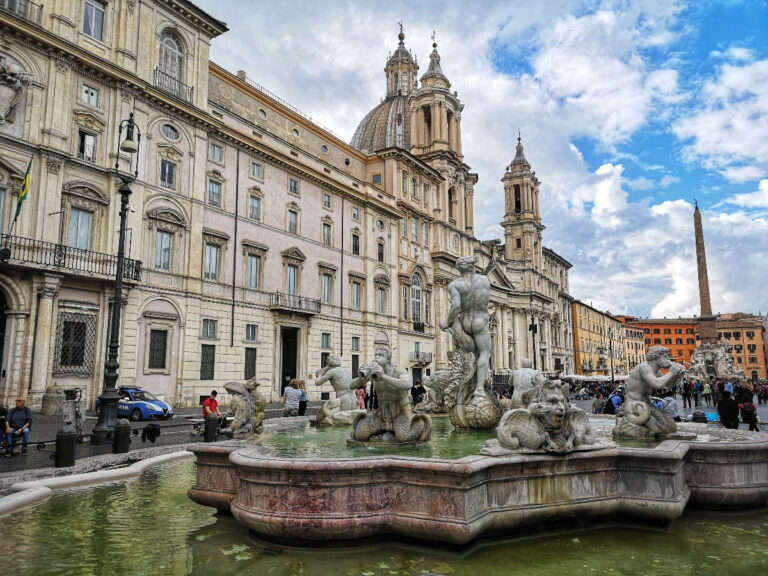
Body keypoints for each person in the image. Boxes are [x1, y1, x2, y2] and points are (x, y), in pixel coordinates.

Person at [439, 256, 492, 399]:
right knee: (484, 354)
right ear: (473, 267)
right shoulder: (485, 281)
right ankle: (479, 389)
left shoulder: (455, 285)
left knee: (467, 353)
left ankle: (464, 384)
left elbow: (455, 306)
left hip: (464, 322)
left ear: (459, 269)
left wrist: (447, 321)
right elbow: (485, 300)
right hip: (480, 322)